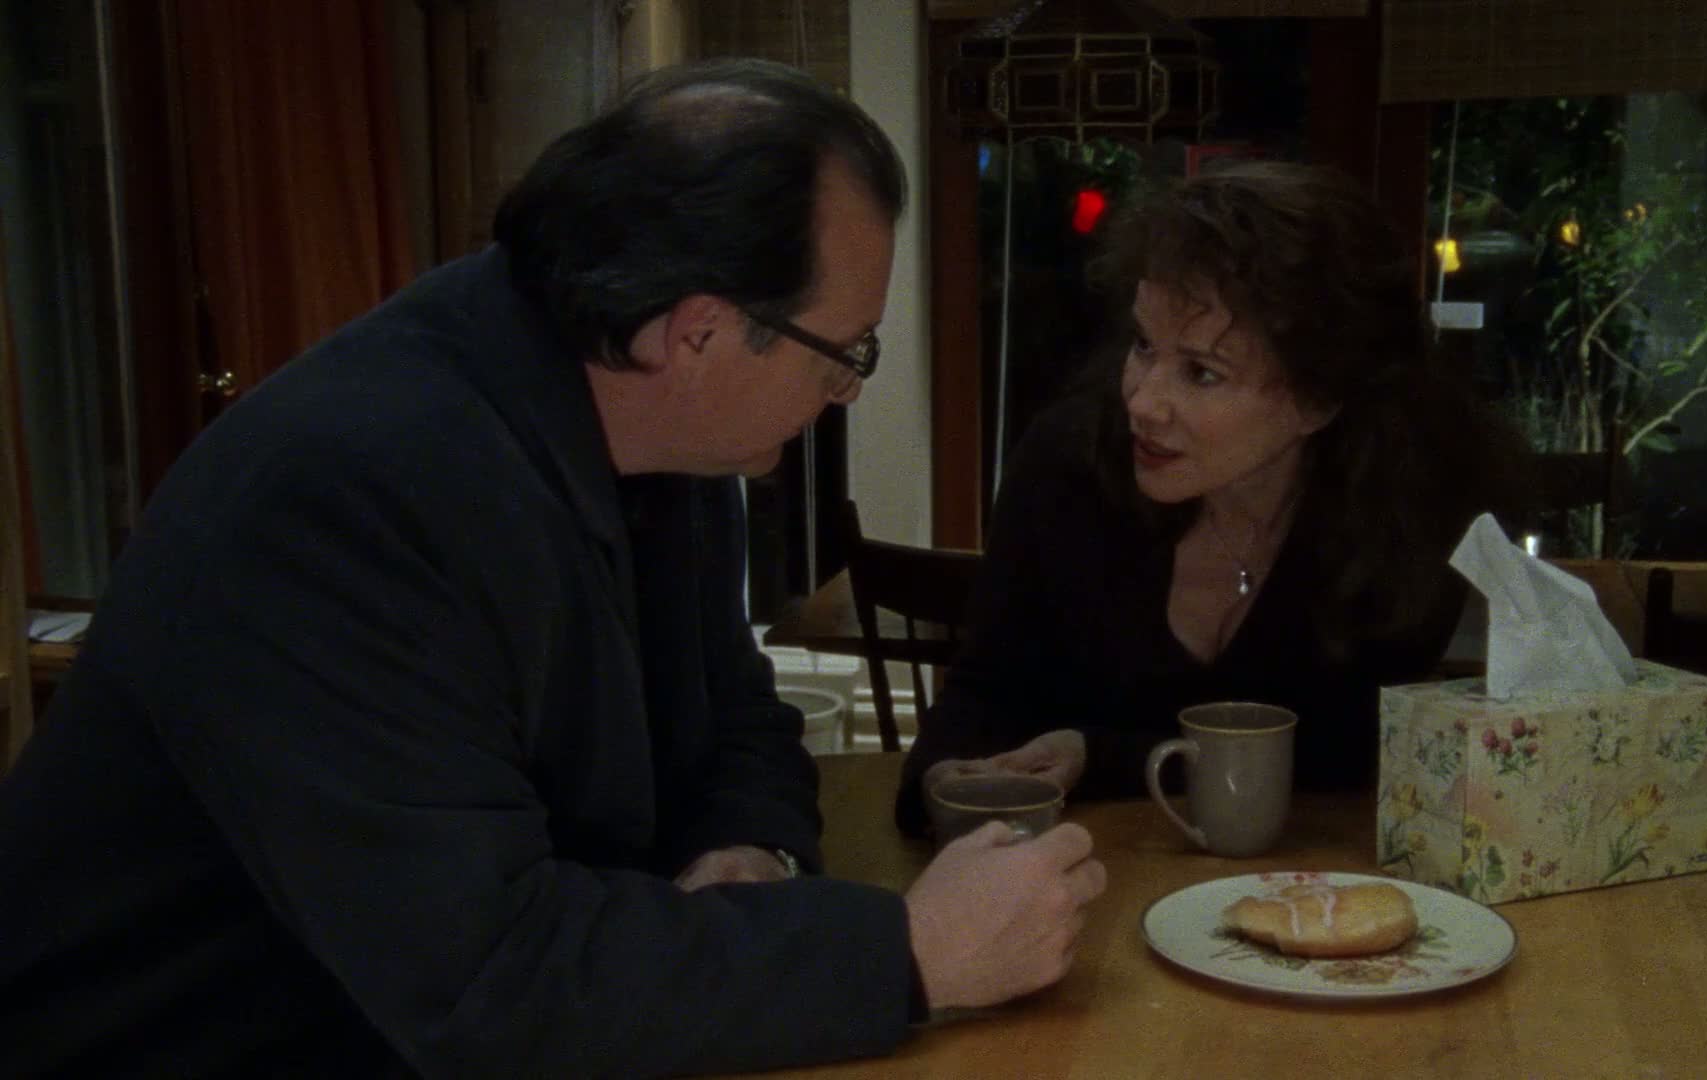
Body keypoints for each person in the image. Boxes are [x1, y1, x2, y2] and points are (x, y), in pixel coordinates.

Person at [0, 59, 1104, 1077]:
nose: (846, 390)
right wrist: (910, 953)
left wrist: (749, 851)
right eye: (844, 352)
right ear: (700, 334)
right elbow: (483, 978)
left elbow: (738, 718)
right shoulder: (348, 495)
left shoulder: (646, 421)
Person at [897, 162, 1527, 834]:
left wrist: (1100, 755)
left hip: (1312, 875)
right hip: (1082, 869)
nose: (1142, 402)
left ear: (1318, 398)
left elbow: (1344, 757)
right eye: (1144, 346)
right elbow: (984, 690)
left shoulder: (1410, 515)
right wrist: (941, 778)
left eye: (1201, 372)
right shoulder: (1067, 468)